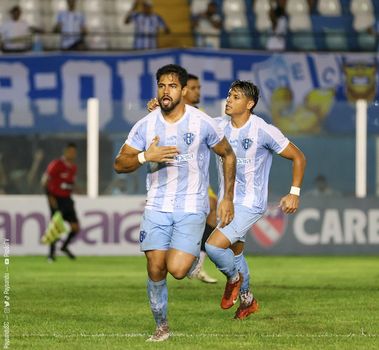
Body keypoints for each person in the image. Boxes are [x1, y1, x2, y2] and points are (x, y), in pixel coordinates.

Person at [114, 64, 236, 341]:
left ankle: (191, 259)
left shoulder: (202, 122)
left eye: (171, 85)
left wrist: (227, 197)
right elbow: (120, 163)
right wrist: (146, 156)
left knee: (178, 270)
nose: (166, 90)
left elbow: (228, 154)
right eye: (161, 85)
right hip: (156, 206)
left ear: (182, 90)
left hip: (192, 206)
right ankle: (162, 327)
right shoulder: (145, 125)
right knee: (155, 267)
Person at [205, 80, 306, 320]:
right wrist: (160, 109)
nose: (229, 100)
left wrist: (294, 192)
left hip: (250, 203)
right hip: (227, 203)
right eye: (229, 95)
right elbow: (190, 120)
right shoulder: (218, 127)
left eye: (236, 97)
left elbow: (299, 157)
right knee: (236, 253)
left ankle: (234, 279)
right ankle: (248, 301)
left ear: (250, 104)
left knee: (213, 246)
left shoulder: (263, 130)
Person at [147, 73, 218, 283]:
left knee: (212, 211)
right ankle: (187, 258)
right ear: (183, 90)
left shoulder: (201, 115)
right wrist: (154, 111)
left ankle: (196, 262)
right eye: (194, 88)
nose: (197, 92)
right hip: (169, 179)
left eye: (199, 88)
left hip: (195, 178)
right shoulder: (163, 113)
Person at [41, 143, 80, 261]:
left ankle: (64, 247)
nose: (73, 154)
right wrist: (50, 198)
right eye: (71, 152)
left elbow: (69, 184)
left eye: (74, 152)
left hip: (67, 200)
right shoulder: (56, 164)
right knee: (56, 226)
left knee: (75, 228)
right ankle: (51, 255)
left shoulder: (73, 167)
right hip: (56, 199)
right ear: (66, 152)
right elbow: (45, 182)